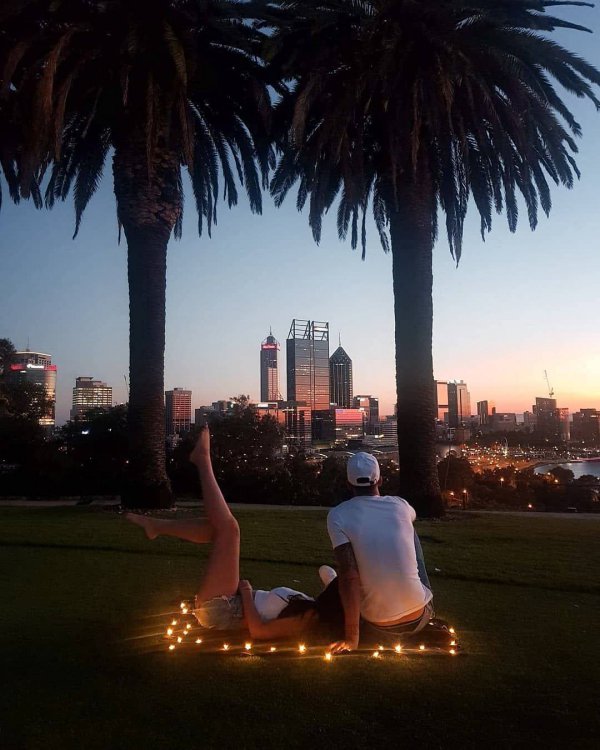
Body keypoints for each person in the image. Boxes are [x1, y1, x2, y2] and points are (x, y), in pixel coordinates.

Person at [126, 426, 343, 643]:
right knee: (218, 530)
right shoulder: (312, 605)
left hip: (222, 609)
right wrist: (338, 581)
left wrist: (247, 592)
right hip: (230, 600)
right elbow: (327, 572)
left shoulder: (309, 619)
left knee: (230, 530)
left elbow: (259, 631)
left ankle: (203, 461)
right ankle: (156, 526)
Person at [327, 452, 433, 654]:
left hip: (378, 626)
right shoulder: (400, 505)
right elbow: (411, 516)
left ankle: (330, 580)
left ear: (348, 484)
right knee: (408, 527)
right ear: (380, 480)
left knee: (346, 567)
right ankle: (417, 594)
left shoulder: (338, 515)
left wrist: (352, 638)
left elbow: (349, 577)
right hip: (420, 617)